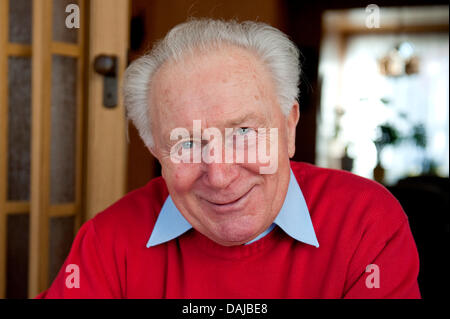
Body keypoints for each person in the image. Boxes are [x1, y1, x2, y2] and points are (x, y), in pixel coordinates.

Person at [36, 19, 420, 298]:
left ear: (289, 128)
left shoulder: (366, 221)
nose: (219, 176)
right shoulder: (109, 239)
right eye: (186, 143)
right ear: (156, 150)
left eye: (243, 133)